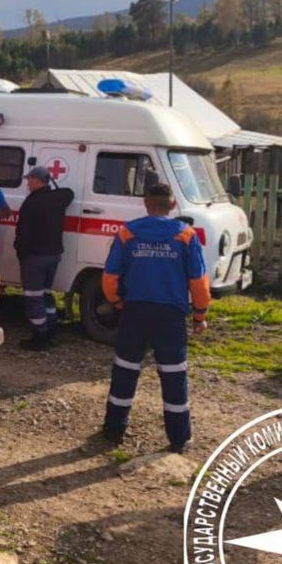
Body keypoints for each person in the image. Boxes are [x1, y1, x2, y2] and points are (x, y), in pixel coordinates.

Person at [101, 182, 211, 453]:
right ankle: (178, 438)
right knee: (173, 375)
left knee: (125, 370)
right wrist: (200, 315)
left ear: (146, 204)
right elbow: (198, 281)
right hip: (171, 315)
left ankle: (114, 431)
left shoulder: (128, 233)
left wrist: (117, 302)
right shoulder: (185, 235)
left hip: (134, 311)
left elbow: (110, 276)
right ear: (173, 205)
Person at [13, 165, 74, 351]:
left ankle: (39, 337)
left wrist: (21, 253)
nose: (28, 183)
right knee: (46, 294)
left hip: (35, 257)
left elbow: (22, 233)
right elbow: (69, 192)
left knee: (33, 297)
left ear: (37, 180)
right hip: (53, 256)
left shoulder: (31, 203)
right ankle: (51, 331)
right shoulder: (58, 198)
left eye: (29, 179)